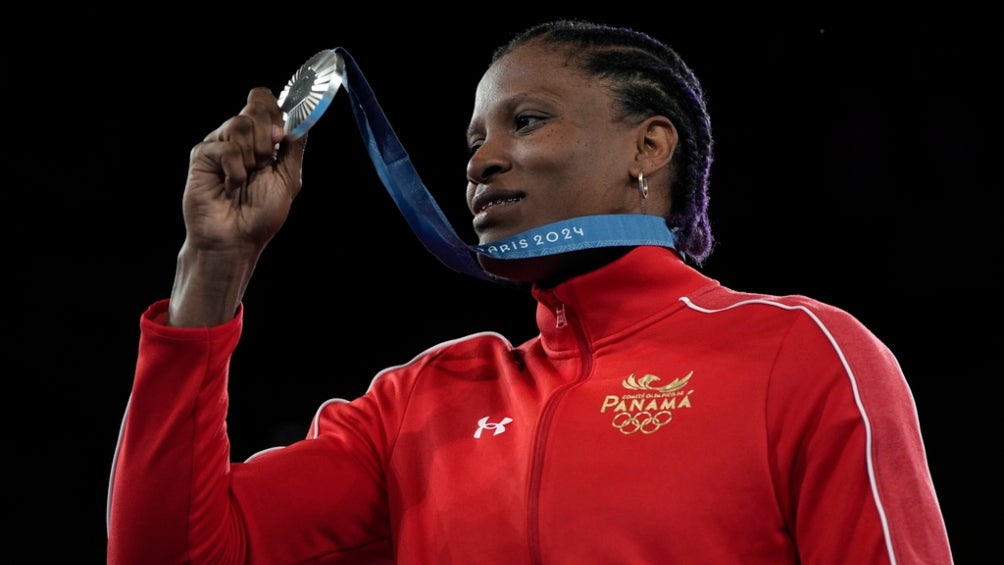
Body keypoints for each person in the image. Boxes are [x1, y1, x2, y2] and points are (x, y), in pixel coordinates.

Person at [106, 19, 954, 564]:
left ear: (649, 147)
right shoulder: (421, 404)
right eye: (474, 139)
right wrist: (211, 265)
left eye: (527, 120)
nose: (481, 160)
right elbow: (167, 552)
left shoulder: (802, 354)